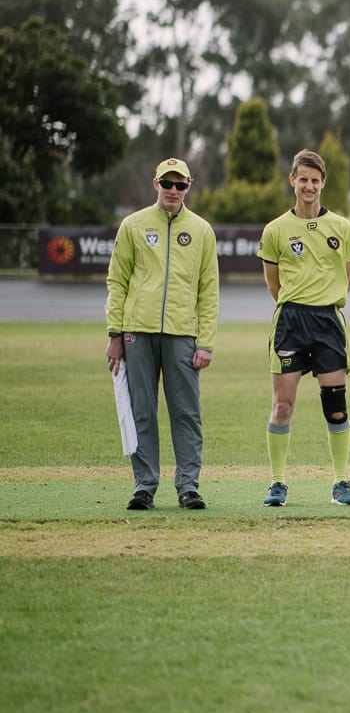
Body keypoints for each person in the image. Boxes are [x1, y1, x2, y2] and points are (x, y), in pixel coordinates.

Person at [105, 157, 219, 511]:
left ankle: (188, 486)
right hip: (136, 332)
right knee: (142, 410)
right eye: (167, 184)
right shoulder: (133, 225)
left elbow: (209, 291)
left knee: (186, 412)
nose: (173, 191)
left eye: (180, 185)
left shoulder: (201, 230)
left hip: (182, 334)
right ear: (155, 183)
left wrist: (206, 343)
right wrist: (114, 334)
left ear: (189, 187)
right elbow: (117, 281)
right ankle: (144, 485)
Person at [257, 149, 350, 507]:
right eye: (302, 179)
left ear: (323, 183)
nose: (308, 185)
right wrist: (298, 300)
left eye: (315, 180)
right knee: (282, 406)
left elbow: (347, 281)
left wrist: (322, 299)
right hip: (290, 321)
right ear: (293, 180)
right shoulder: (275, 230)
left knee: (336, 406)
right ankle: (277, 483)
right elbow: (273, 286)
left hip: (327, 322)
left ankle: (341, 482)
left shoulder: (342, 228)